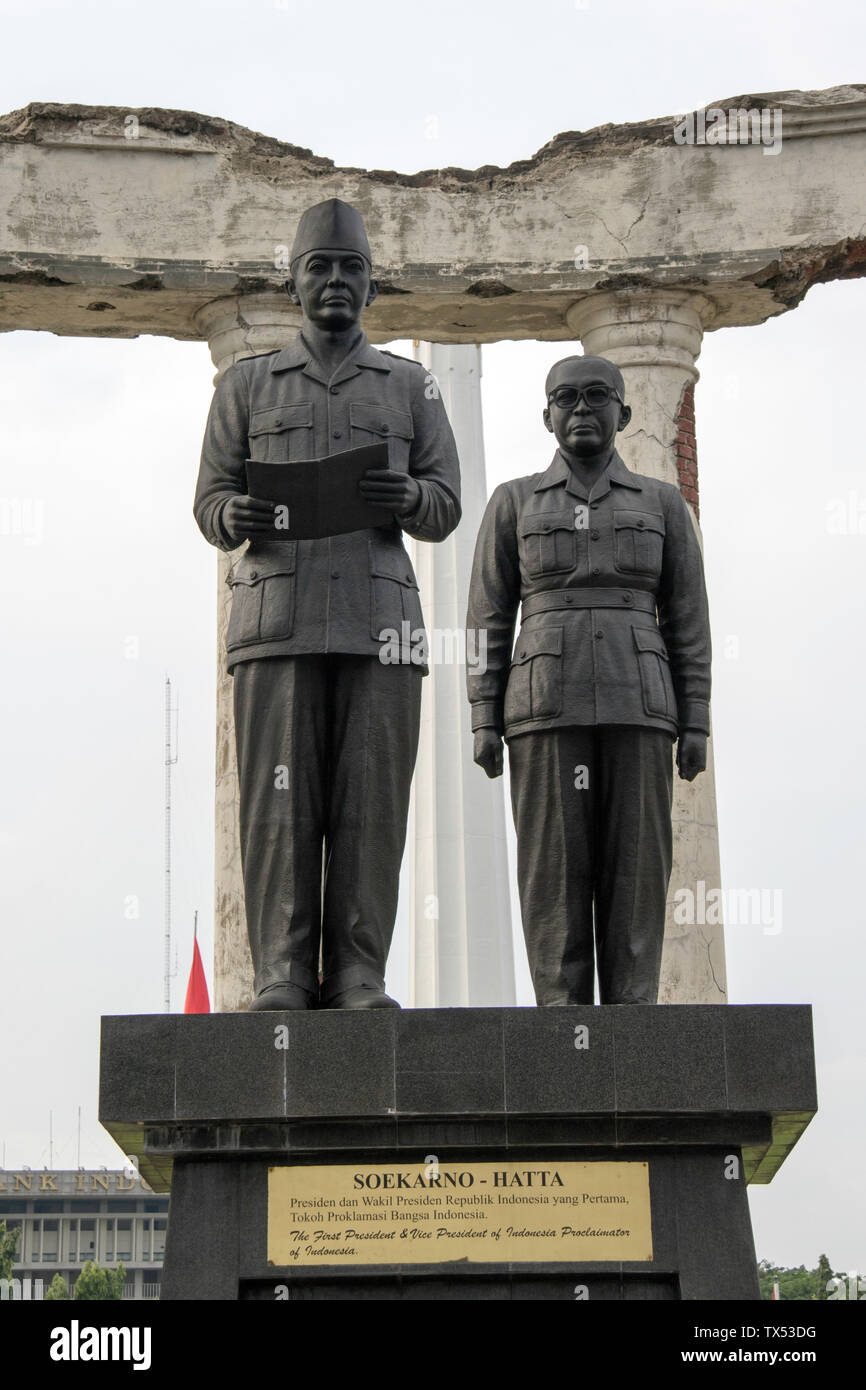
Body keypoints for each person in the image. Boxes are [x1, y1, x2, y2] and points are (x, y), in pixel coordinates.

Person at [194, 198, 461, 1010]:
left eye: (352, 268)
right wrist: (229, 515)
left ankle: (357, 972)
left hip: (380, 625)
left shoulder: (416, 387)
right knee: (279, 804)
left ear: (372, 286)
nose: (336, 280)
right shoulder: (245, 386)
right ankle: (281, 969)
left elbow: (448, 503)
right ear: (295, 282)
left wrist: (411, 495)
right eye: (321, 267)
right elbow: (209, 499)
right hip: (276, 622)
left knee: (370, 806)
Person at [466, 355, 710, 1005]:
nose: (580, 409)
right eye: (565, 398)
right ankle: (560, 1017)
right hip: (545, 706)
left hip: (639, 704)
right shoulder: (512, 502)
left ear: (624, 413)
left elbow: (688, 620)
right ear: (545, 415)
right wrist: (482, 718)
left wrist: (697, 721)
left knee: (636, 870)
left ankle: (633, 1012)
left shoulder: (663, 504)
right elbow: (488, 617)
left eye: (597, 396)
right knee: (554, 871)